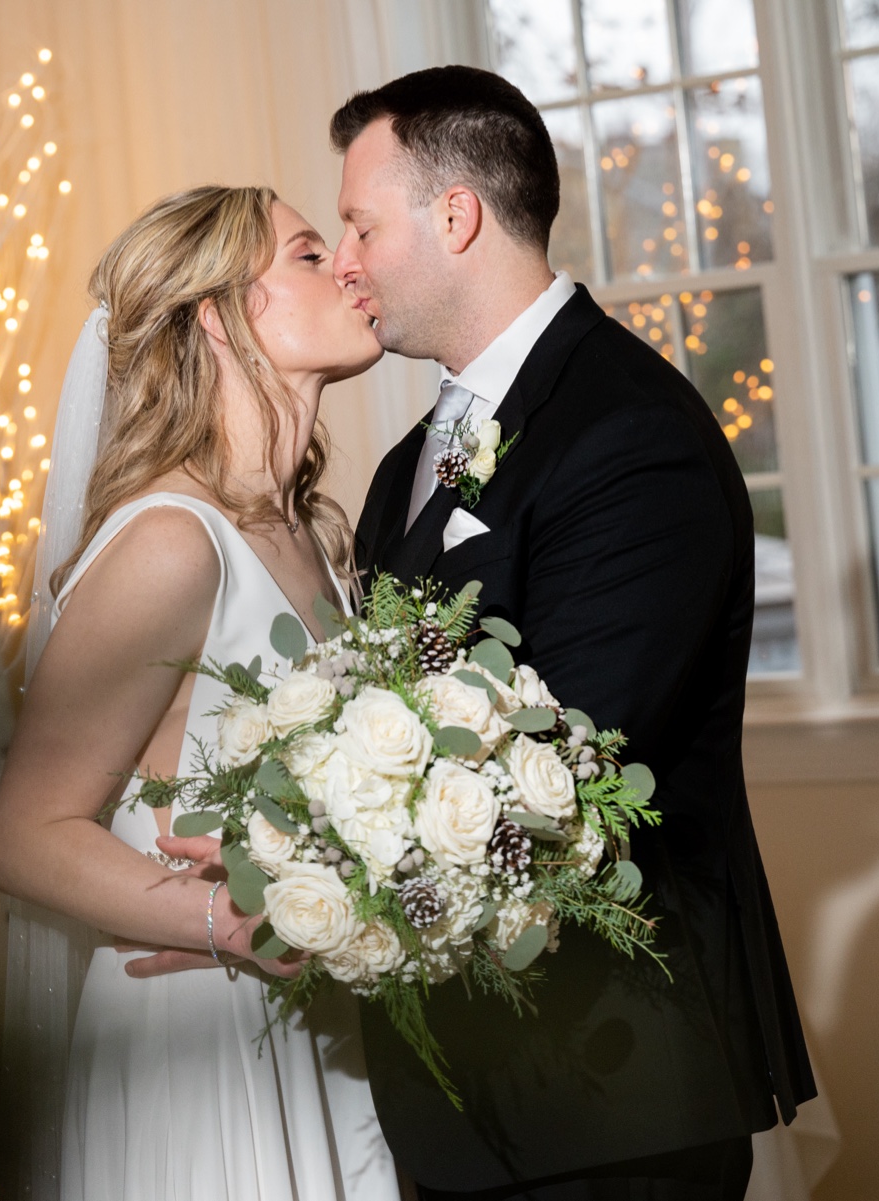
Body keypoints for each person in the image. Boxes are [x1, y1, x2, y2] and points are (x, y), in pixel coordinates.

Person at [317, 65, 815, 1200]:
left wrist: (309, 886)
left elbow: (570, 765)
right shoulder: (412, 460)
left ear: (455, 216)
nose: (346, 260)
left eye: (358, 223)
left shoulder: (629, 435)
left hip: (609, 1086)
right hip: (471, 1092)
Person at [0, 185, 403, 1201]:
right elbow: (25, 834)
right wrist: (231, 921)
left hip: (322, 1023)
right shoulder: (171, 543)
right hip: (201, 1032)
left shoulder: (313, 532)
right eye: (309, 254)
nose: (349, 267)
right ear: (219, 317)